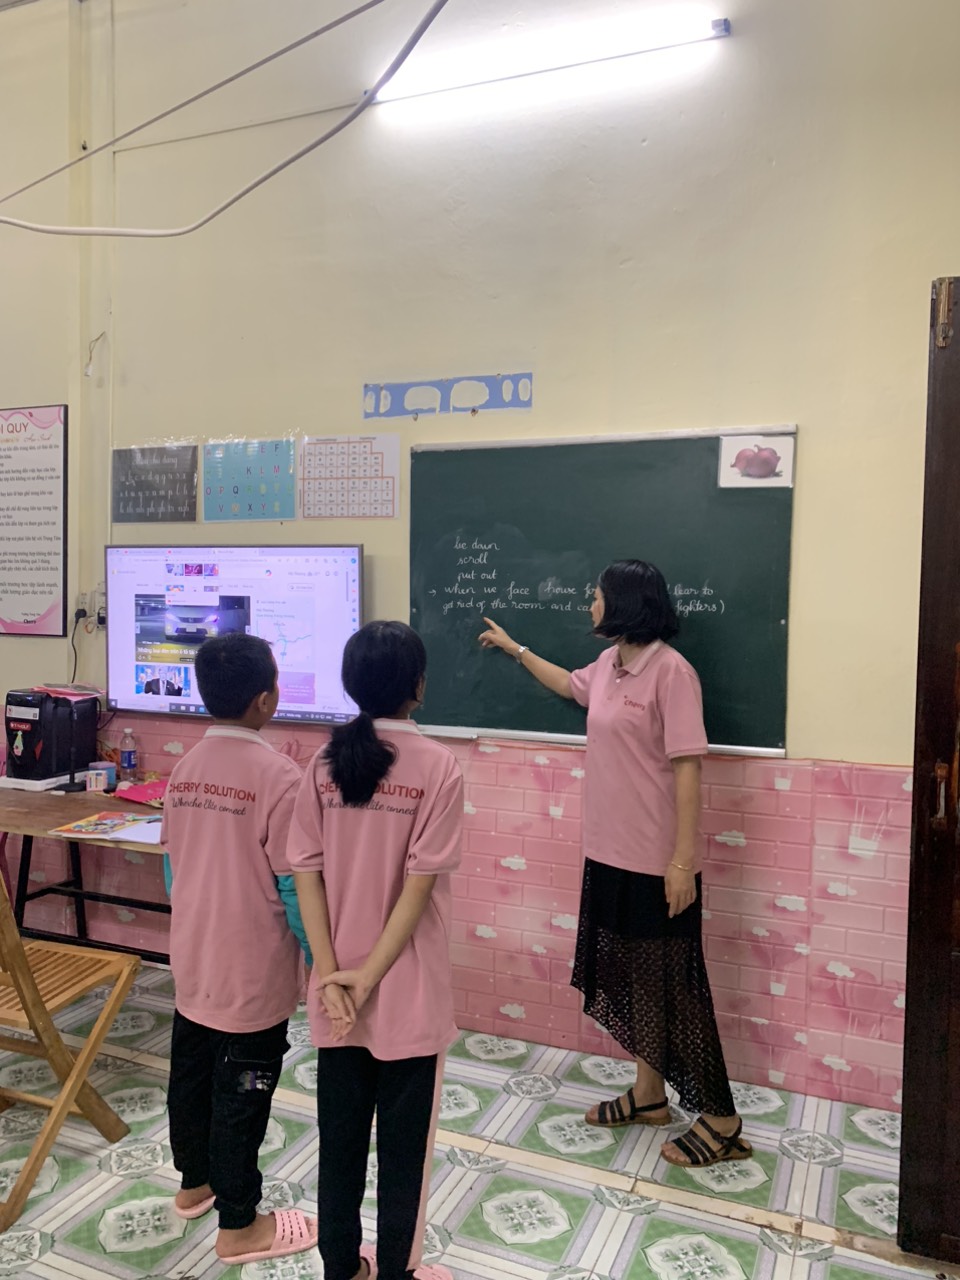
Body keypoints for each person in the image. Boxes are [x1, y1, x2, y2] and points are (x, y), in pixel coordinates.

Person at [479, 560, 750, 1169]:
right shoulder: (609, 664)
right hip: (607, 853)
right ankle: (650, 1096)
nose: (589, 604)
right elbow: (568, 685)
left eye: (596, 596)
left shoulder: (672, 673)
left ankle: (722, 1120)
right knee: (632, 978)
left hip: (657, 862)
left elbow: (688, 768)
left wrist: (683, 862)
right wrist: (516, 649)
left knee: (677, 988)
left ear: (624, 603)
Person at [288, 620, 462, 1280]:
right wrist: (367, 978)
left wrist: (332, 974)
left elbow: (305, 873)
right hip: (406, 994)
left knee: (339, 1141)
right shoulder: (438, 767)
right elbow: (419, 888)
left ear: (351, 685)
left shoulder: (323, 764)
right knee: (403, 1152)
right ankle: (395, 1272)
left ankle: (341, 1268)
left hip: (335, 995)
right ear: (419, 686)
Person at [160, 632, 318, 1266]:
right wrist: (320, 960)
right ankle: (239, 1223)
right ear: (267, 699)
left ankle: (193, 1184)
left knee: (191, 1077)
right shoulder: (280, 777)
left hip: (194, 960)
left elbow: (173, 867)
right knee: (243, 1095)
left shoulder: (184, 768)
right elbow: (294, 886)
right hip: (251, 973)